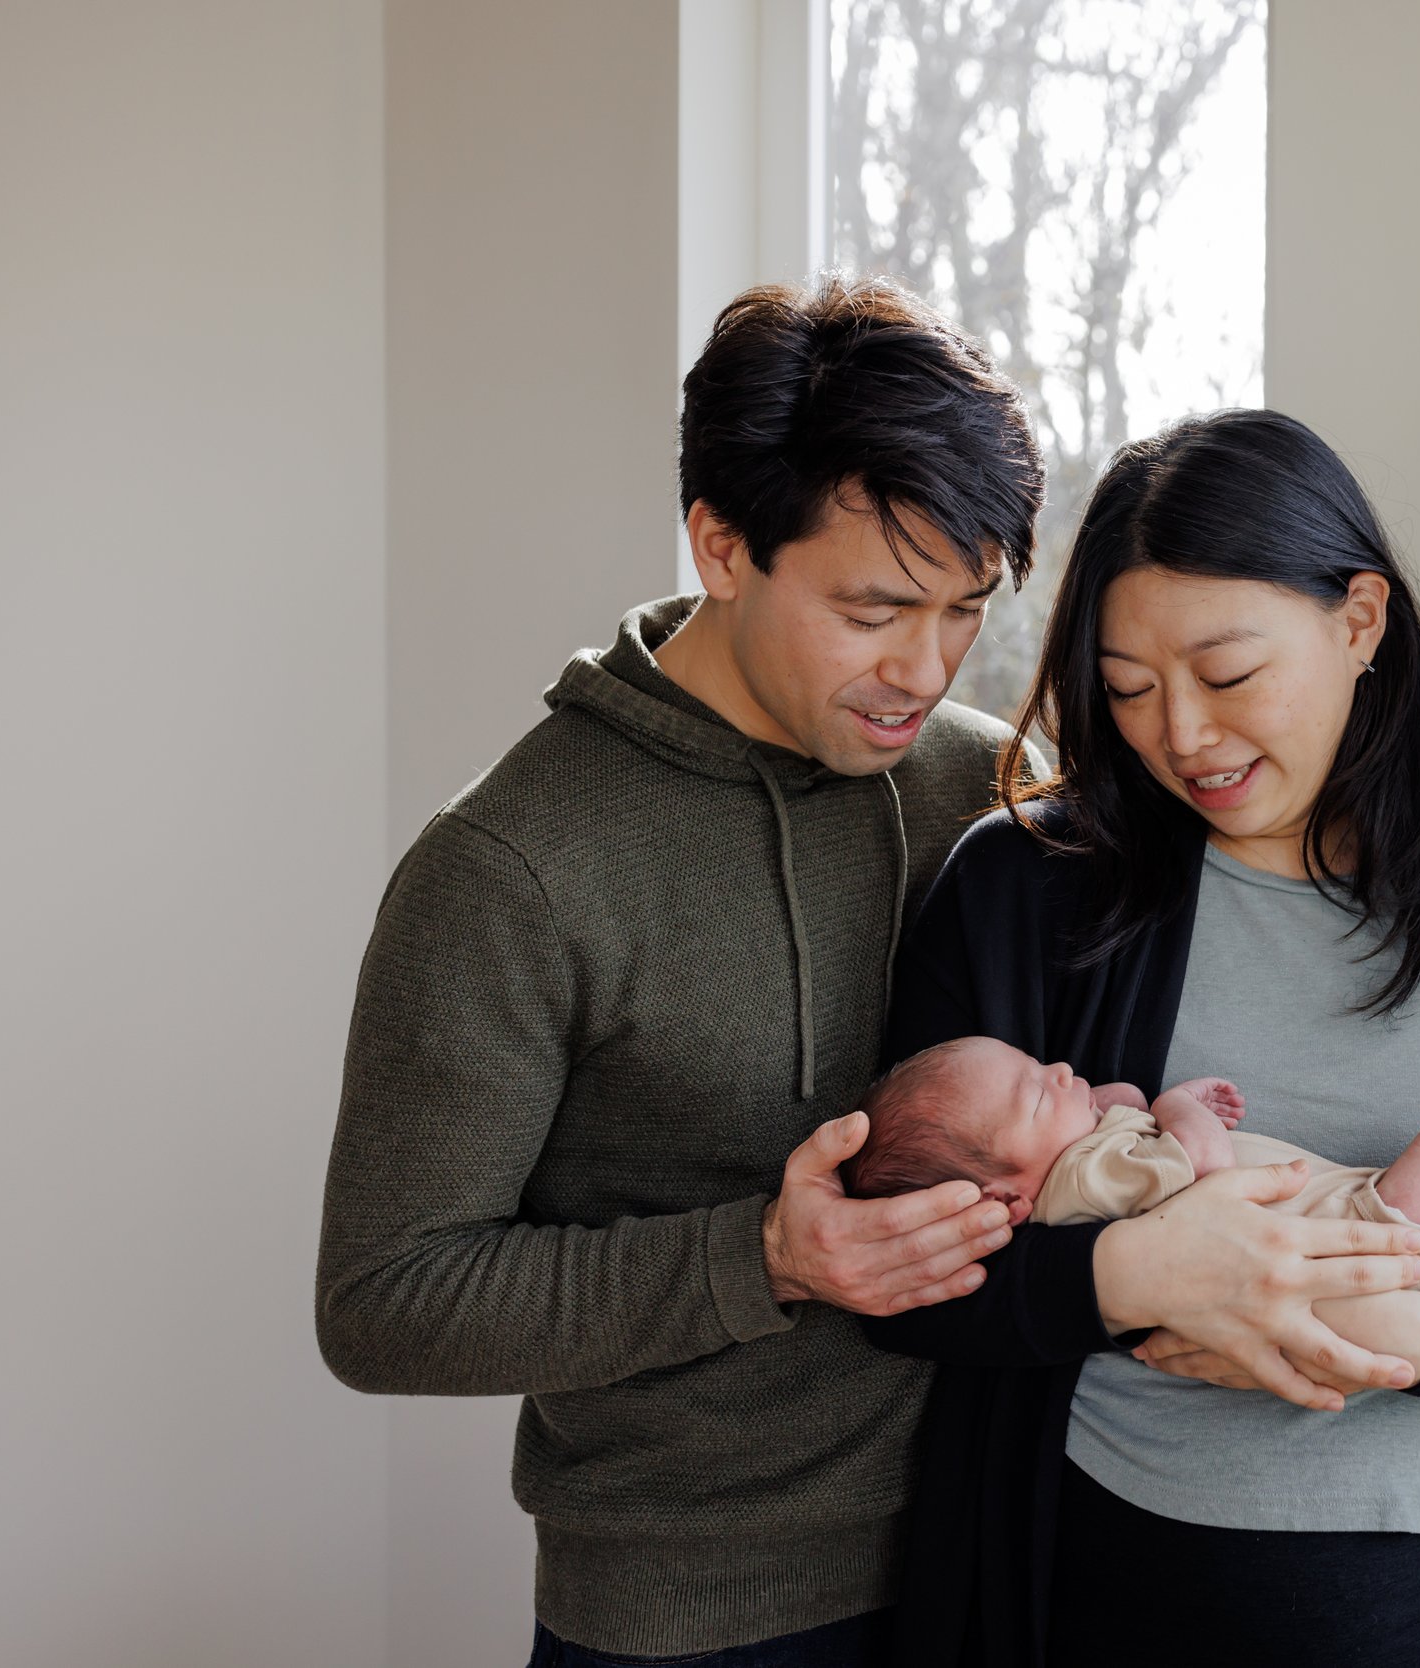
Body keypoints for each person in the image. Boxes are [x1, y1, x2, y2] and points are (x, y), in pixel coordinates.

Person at [315, 278, 1045, 1666]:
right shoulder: (509, 869)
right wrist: (764, 1257)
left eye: (966, 608)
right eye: (877, 607)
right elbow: (385, 1302)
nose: (925, 663)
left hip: (997, 1553)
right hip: (692, 1619)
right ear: (721, 544)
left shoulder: (989, 788)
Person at [862, 409, 1420, 1668]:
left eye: (1227, 676)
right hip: (1092, 1575)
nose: (1181, 733)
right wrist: (1135, 1281)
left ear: (1359, 622)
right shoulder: (1021, 890)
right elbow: (898, 1278)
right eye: (1128, 691)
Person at [844, 1036, 1420, 1284]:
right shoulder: (1084, 1178)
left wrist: (1087, 1098)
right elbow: (1206, 1168)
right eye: (1033, 1095)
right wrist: (1180, 1104)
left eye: (1032, 1061)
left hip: (1365, 1224)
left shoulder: (1081, 1174)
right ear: (1004, 1201)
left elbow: (1117, 1098)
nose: (1054, 1072)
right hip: (1360, 1223)